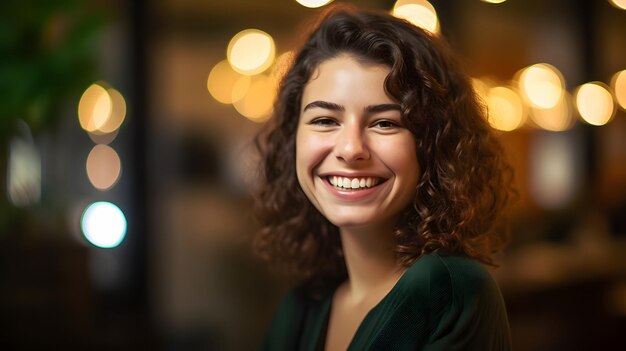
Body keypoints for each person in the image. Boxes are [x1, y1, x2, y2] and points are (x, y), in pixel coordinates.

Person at [253, 5, 514, 351]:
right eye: (325, 120)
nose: (350, 149)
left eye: (385, 123)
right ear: (293, 140)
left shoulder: (449, 290)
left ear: (431, 146)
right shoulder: (302, 307)